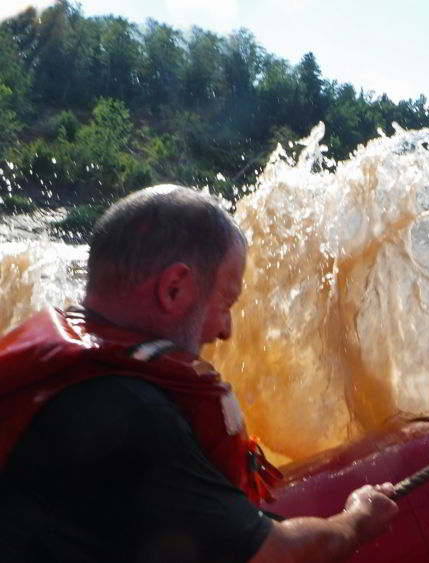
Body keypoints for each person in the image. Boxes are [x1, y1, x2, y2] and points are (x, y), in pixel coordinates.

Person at [0, 185, 399, 562]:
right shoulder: (131, 413)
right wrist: (358, 519)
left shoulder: (60, 376)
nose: (226, 329)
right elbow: (274, 556)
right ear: (174, 288)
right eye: (226, 301)